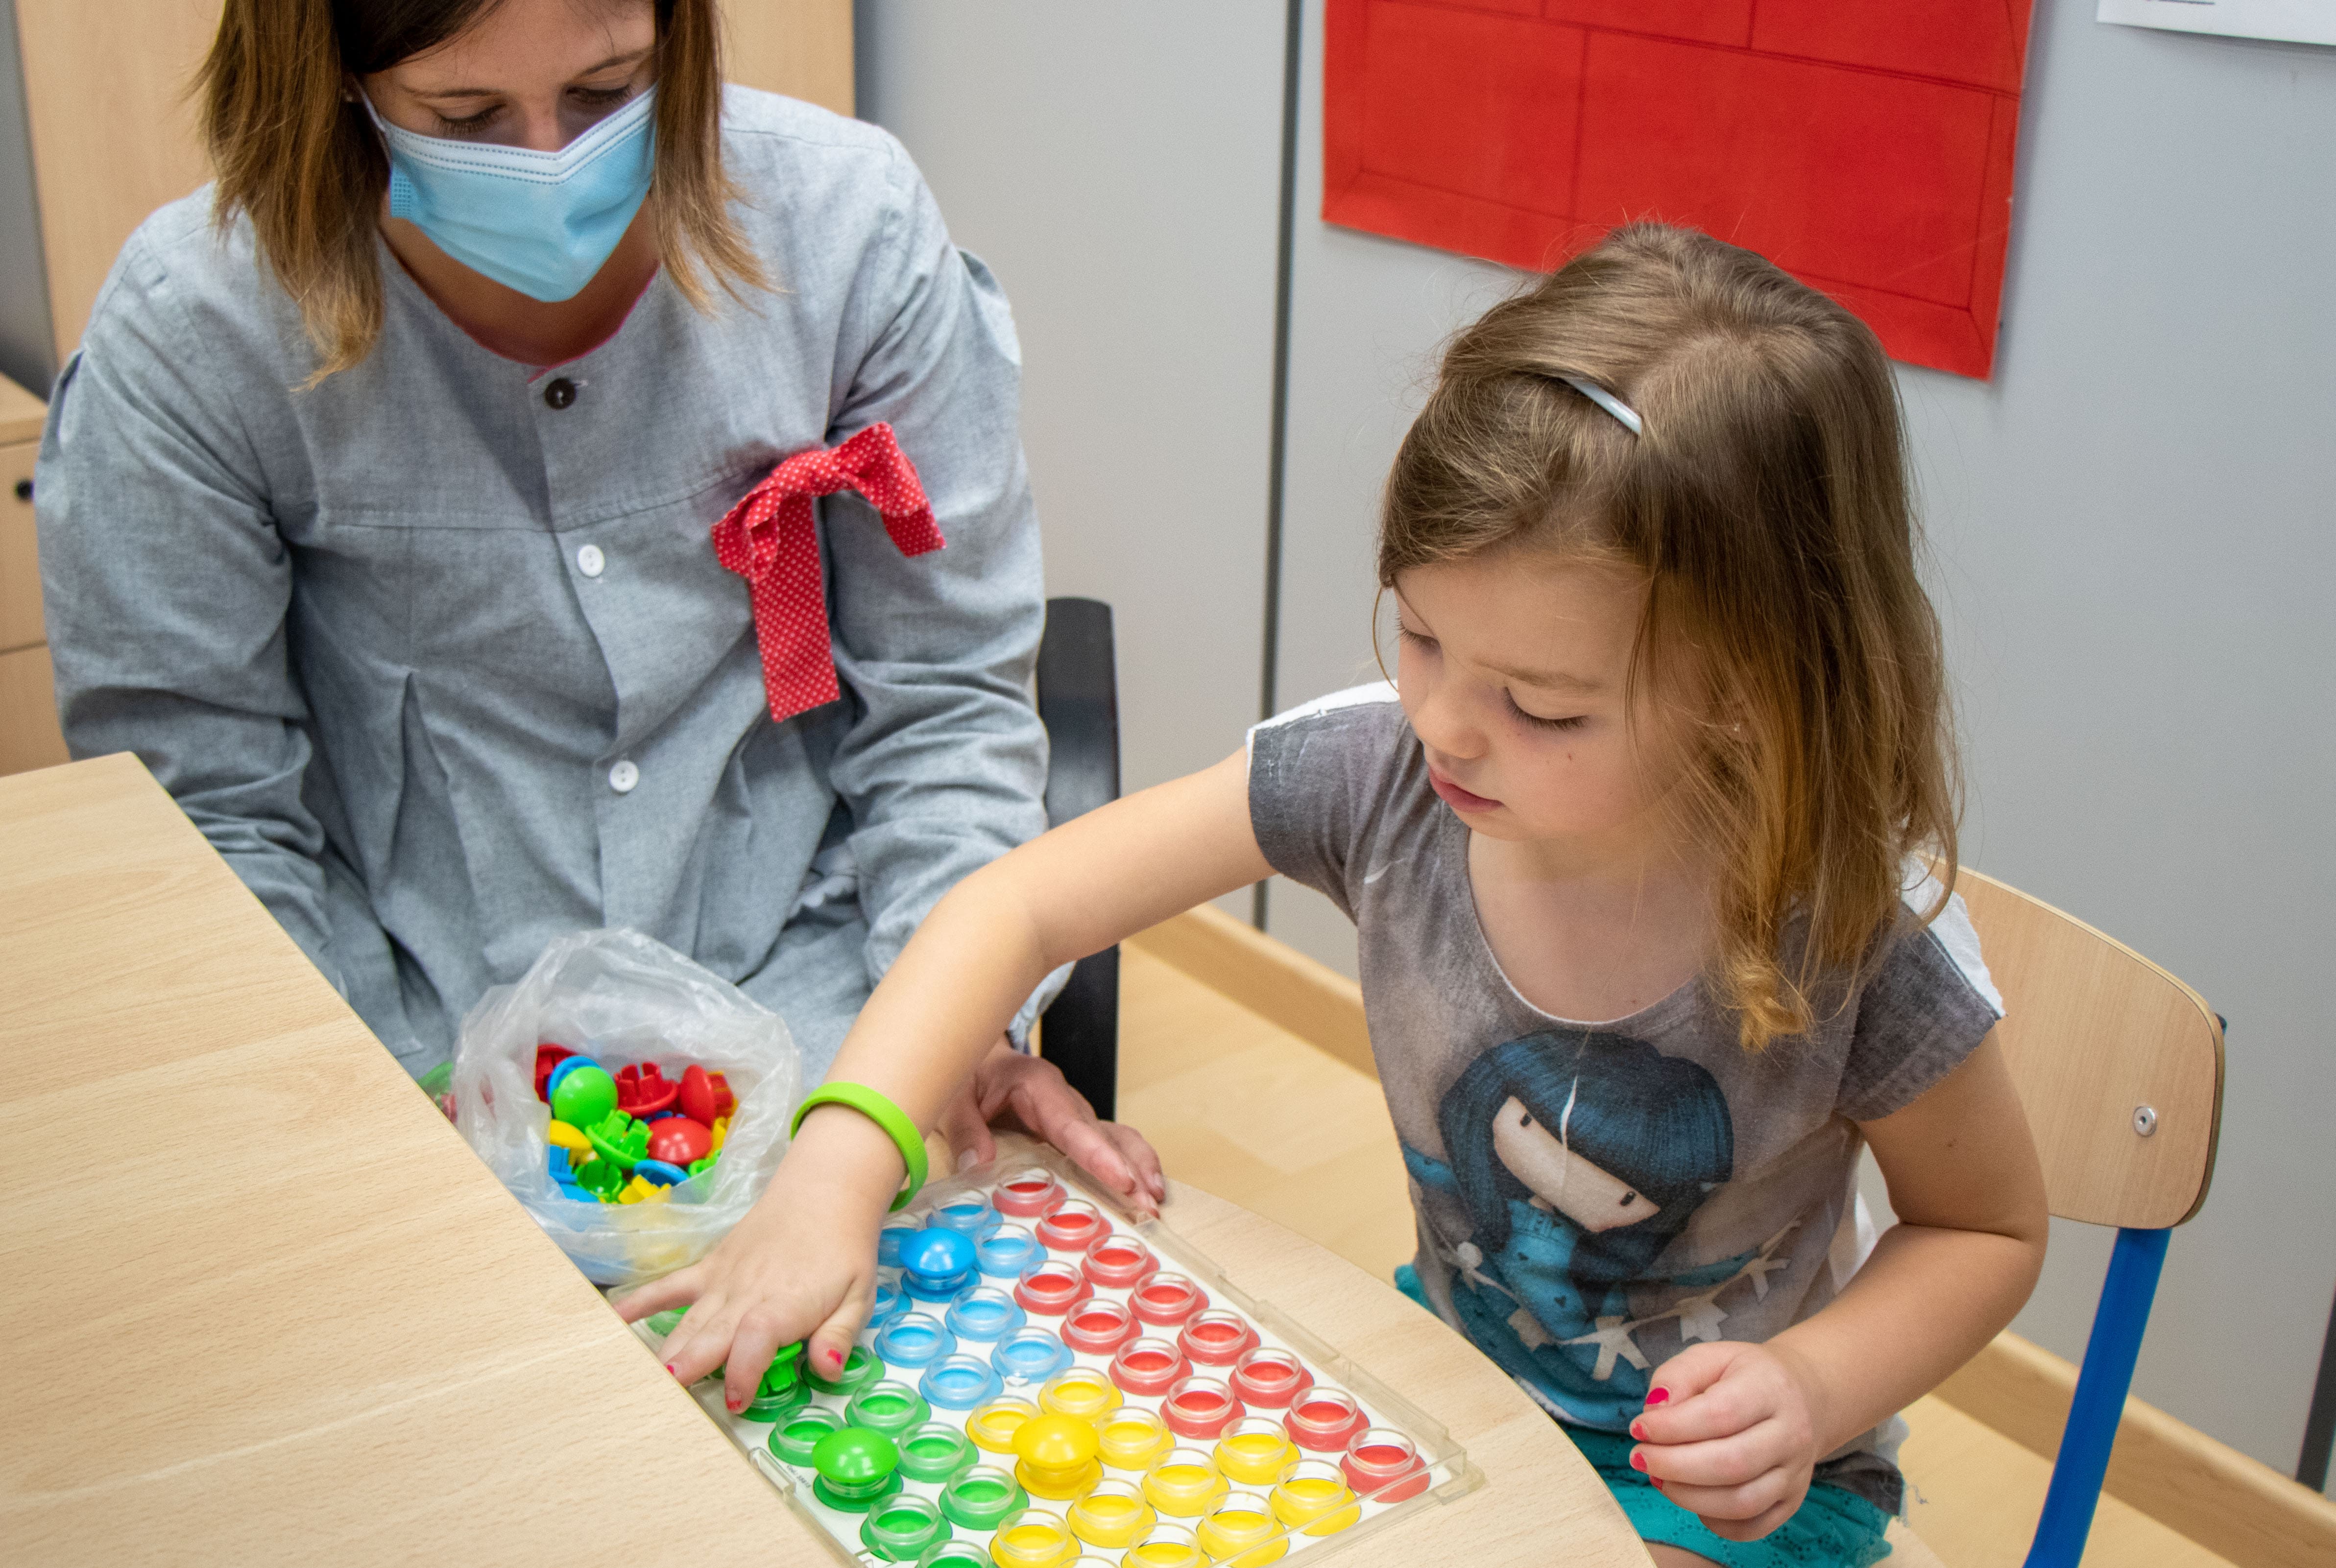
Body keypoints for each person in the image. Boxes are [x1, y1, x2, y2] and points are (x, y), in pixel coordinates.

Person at [629, 224, 2050, 1567]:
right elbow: (1019, 906)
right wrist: (833, 1173)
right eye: (1421, 635)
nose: (1447, 727)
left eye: (1545, 707)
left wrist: (1811, 1385)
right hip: (1449, 1381)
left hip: (1726, 1493)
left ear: (1749, 693)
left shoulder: (1855, 929)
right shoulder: (1376, 772)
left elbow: (1983, 1228)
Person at [33, 0, 1158, 1206]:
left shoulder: (844, 228)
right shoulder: (196, 325)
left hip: (823, 998)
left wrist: (945, 1031)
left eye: (608, 92)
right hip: (417, 1034)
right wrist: (363, 1121)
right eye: (464, 116)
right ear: (333, 82)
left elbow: (943, 696)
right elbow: (207, 812)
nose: (550, 162)